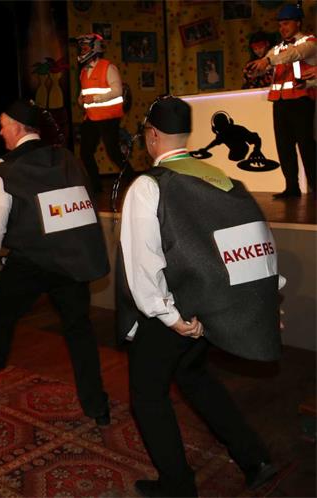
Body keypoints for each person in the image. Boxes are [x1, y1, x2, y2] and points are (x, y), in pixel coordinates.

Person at [116, 96, 282, 497]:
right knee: (193, 375)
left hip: (177, 312)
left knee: (147, 394)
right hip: (214, 308)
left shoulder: (149, 186)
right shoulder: (223, 179)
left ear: (152, 135)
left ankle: (177, 486)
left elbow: (143, 262)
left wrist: (169, 317)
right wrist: (265, 299)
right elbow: (255, 244)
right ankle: (254, 458)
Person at [0, 100, 111, 426]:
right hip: (70, 260)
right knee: (79, 330)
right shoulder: (67, 158)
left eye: (3, 125)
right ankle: (97, 407)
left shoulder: (6, 168)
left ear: (17, 127)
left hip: (31, 261)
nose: (0, 132)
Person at [246, 3, 316, 198]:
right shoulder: (276, 49)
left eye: (286, 23)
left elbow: (294, 54)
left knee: (307, 146)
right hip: (280, 102)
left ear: (298, 23)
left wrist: (268, 61)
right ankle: (291, 187)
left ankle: (315, 186)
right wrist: (254, 70)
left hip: (302, 100)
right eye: (280, 25)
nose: (282, 28)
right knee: (284, 147)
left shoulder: (309, 42)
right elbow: (267, 65)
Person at [76, 33, 132, 193]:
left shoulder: (108, 67)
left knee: (113, 152)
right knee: (85, 153)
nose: (82, 50)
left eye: (85, 47)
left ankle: (133, 180)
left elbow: (117, 90)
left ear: (95, 48)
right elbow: (84, 94)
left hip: (108, 117)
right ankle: (95, 186)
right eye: (81, 48)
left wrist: (95, 98)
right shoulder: (83, 71)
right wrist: (81, 100)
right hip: (91, 117)